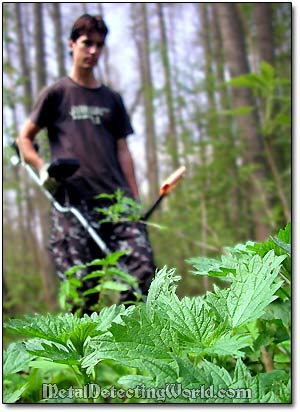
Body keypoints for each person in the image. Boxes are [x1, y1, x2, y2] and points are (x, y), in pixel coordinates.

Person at [17, 14, 155, 312]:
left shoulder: (111, 99)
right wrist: (43, 168)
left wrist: (134, 199)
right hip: (73, 204)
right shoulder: (56, 94)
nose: (93, 51)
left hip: (116, 203)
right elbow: (24, 139)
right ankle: (87, 355)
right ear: (71, 44)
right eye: (86, 43)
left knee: (143, 274)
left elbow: (123, 150)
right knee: (81, 290)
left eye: (99, 45)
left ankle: (133, 346)